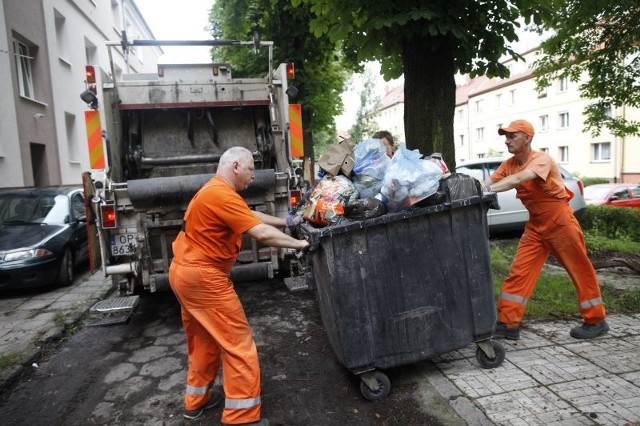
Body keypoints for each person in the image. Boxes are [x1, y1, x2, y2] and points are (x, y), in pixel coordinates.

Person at [169, 147, 308, 425]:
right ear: (235, 166)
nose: (253, 177)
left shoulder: (217, 191)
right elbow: (259, 233)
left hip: (185, 274)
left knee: (204, 340)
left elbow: (250, 216)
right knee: (237, 343)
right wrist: (300, 244)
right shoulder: (220, 194)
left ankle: (196, 402)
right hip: (204, 278)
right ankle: (242, 416)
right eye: (250, 170)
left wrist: (288, 222)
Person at [484, 119, 609, 341]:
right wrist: (474, 189)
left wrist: (489, 190)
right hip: (536, 226)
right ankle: (508, 323)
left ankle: (596, 320)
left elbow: (521, 178)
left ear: (528, 138)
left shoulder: (541, 160)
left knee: (579, 269)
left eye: (513, 136)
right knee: (519, 271)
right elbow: (489, 182)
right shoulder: (509, 164)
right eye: (506, 136)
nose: (507, 140)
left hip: (559, 222)